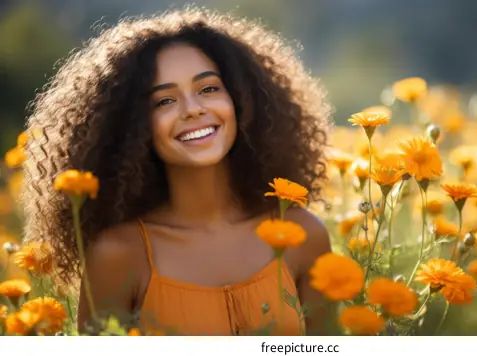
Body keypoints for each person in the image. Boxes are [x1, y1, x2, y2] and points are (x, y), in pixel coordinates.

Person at [21, 7, 333, 336]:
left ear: (241, 100)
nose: (193, 109)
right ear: (130, 126)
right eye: (164, 101)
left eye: (208, 89)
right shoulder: (117, 256)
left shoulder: (302, 234)